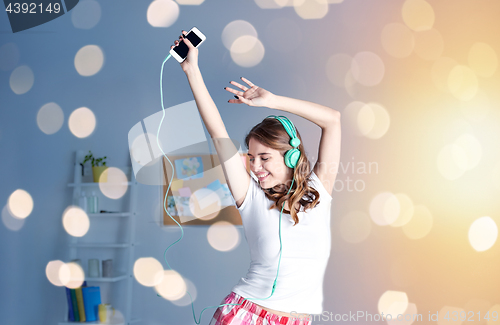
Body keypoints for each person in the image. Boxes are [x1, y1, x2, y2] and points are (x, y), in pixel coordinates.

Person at [171, 30, 341, 325]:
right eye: (251, 158)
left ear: (291, 156)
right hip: (245, 316)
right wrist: (191, 70)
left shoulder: (319, 191)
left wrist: (272, 100)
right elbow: (218, 133)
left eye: (265, 158)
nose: (256, 166)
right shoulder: (250, 198)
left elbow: (333, 120)